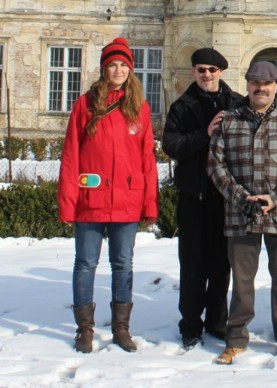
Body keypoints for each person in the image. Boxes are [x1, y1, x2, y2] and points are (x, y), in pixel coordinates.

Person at [57, 37, 158, 353]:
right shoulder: (85, 105)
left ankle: (121, 329)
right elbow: (71, 155)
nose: (118, 70)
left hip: (126, 202)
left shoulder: (139, 109)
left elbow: (147, 160)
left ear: (130, 69)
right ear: (104, 69)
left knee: (123, 264)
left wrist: (149, 203)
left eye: (123, 65)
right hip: (91, 199)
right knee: (85, 263)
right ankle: (84, 330)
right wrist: (67, 202)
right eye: (112, 65)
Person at [207, 61, 277, 364]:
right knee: (241, 281)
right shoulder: (229, 120)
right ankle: (237, 337)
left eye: (266, 83)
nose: (260, 88)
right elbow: (216, 165)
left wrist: (276, 198)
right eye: (255, 82)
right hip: (240, 213)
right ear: (248, 84)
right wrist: (241, 197)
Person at [162, 48, 242, 350]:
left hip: (225, 198)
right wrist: (204, 133)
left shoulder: (235, 103)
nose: (206, 75)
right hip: (194, 196)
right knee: (193, 264)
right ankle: (191, 324)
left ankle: (217, 321)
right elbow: (172, 144)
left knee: (222, 264)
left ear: (220, 71)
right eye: (200, 70)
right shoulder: (183, 106)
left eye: (211, 70)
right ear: (194, 72)